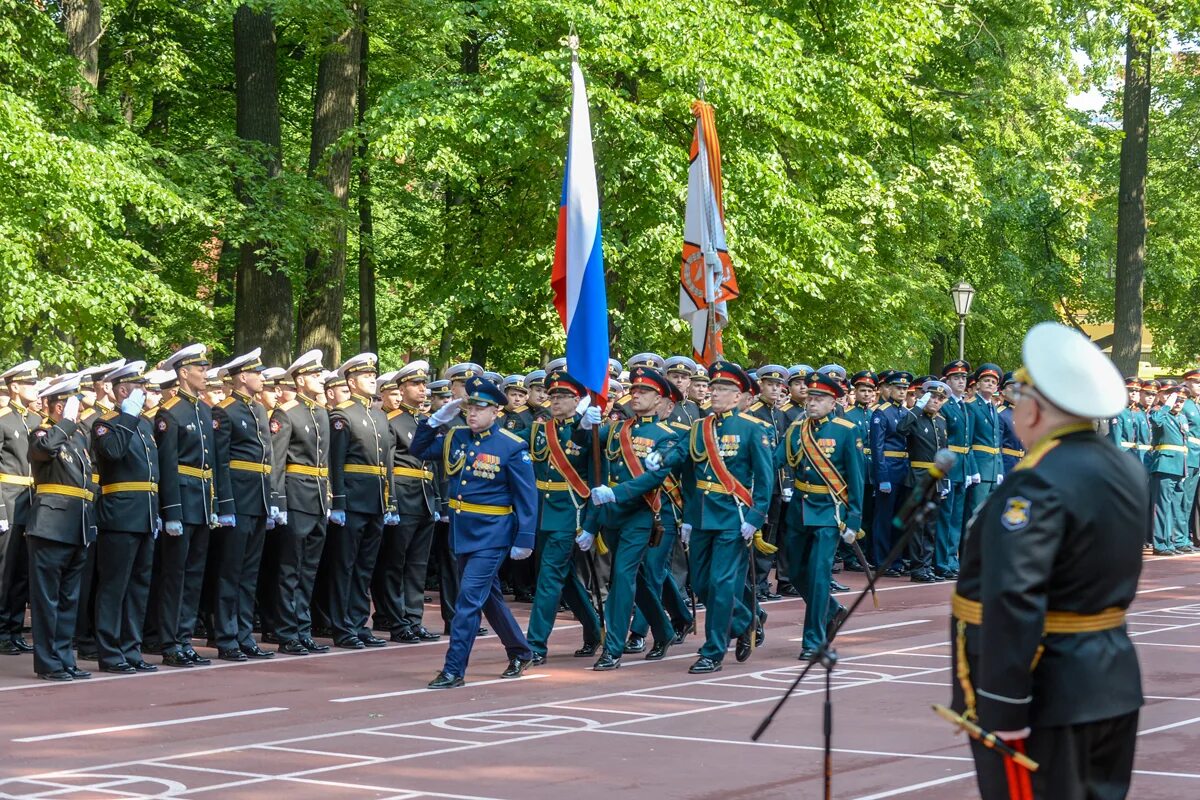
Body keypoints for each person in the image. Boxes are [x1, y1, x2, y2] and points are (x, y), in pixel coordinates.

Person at [950, 322, 1146, 800]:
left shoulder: (1036, 480)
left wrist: (1003, 705)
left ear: (1034, 409)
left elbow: (1015, 596)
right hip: (1111, 680)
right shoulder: (1125, 468)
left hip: (1047, 694)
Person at [411, 376, 536, 688]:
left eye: (480, 408)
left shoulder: (511, 446)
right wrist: (435, 419)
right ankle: (520, 651)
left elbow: (526, 497)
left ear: (495, 412)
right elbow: (419, 449)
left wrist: (525, 537)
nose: (472, 414)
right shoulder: (457, 437)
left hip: (493, 534)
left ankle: (454, 669)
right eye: (469, 408)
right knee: (488, 598)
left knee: (467, 601)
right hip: (462, 531)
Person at [655, 361, 773, 674]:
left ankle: (713, 651)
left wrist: (755, 516)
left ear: (738, 397)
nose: (715, 393)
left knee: (721, 584)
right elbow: (682, 458)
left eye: (723, 389)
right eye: (714, 387)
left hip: (734, 517)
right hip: (702, 516)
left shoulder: (752, 429)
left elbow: (764, 478)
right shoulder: (700, 427)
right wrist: (659, 457)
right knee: (703, 585)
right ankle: (748, 619)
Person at [579, 366, 685, 669]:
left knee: (622, 578)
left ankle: (612, 647)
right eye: (634, 390)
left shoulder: (668, 436)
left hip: (640, 515)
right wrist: (585, 424)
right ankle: (663, 631)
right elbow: (585, 448)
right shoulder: (615, 429)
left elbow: (655, 479)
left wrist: (617, 493)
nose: (636, 395)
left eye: (645, 392)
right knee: (636, 578)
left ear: (660, 398)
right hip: (610, 515)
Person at [778, 371, 864, 661]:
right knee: (794, 571)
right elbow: (775, 460)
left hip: (830, 511)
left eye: (819, 398)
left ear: (833, 401)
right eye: (810, 397)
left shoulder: (846, 430)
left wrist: (854, 520)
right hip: (799, 509)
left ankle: (813, 639)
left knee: (817, 576)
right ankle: (830, 609)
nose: (812, 402)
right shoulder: (796, 430)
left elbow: (856, 479)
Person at [154, 344, 228, 668]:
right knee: (175, 576)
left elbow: (212, 462)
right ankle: (170, 641)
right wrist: (171, 511)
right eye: (200, 369)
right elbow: (168, 466)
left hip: (201, 500)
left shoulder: (204, 411)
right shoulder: (170, 412)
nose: (205, 373)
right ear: (184, 373)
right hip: (182, 501)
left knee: (194, 574)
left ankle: (184, 639)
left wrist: (215, 503)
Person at [524, 369, 603, 664]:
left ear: (577, 400)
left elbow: (596, 482)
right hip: (543, 514)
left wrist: (592, 525)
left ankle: (535, 644)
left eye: (563, 396)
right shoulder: (539, 430)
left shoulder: (588, 431)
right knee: (566, 579)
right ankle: (594, 629)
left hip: (571, 515)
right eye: (552, 395)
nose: (555, 400)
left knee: (548, 580)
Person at [90, 361, 160, 674]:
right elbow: (114, 452)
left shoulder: (144, 424)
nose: (145, 392)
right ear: (121, 390)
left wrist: (157, 511)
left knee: (138, 587)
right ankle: (109, 651)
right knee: (114, 586)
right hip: (119, 514)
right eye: (138, 387)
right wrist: (129, 415)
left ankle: (131, 649)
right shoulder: (104, 423)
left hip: (145, 513)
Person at [27, 374, 96, 681]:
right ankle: (47, 661)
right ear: (57, 407)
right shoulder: (42, 432)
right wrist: (64, 424)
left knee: (69, 598)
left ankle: (65, 656)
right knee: (47, 598)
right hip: (51, 526)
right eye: (71, 405)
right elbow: (43, 452)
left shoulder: (79, 437)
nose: (78, 410)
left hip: (78, 525)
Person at [209, 349, 276, 661]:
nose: (262, 378)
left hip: (258, 499)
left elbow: (267, 459)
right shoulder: (224, 411)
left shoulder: (258, 410)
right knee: (230, 572)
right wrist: (224, 504)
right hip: (237, 499)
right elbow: (220, 463)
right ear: (242, 377)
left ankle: (244, 634)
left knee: (249, 574)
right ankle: (226, 637)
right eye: (257, 373)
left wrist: (272, 499)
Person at [327, 352, 395, 650]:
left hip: (375, 500)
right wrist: (338, 501)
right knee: (344, 565)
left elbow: (387, 462)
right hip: (353, 498)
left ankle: (358, 623)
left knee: (365, 567)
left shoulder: (378, 415)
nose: (372, 379)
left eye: (373, 375)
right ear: (351, 381)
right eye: (366, 376)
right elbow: (336, 462)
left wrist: (389, 501)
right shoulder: (342, 415)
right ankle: (342, 627)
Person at [269, 350, 332, 655]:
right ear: (302, 378)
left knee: (309, 569)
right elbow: (277, 463)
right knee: (289, 568)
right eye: (316, 375)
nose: (321, 379)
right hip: (295, 497)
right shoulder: (286, 412)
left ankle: (303, 628)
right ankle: (287, 632)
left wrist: (329, 495)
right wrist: (277, 501)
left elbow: (325, 461)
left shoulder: (321, 413)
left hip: (318, 497)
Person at [374, 361, 441, 643]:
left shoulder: (423, 421)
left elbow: (432, 465)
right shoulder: (392, 421)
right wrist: (390, 501)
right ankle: (396, 620)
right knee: (394, 562)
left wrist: (436, 500)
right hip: (402, 496)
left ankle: (413, 619)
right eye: (417, 384)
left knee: (417, 565)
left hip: (424, 498)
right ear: (401, 389)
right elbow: (387, 463)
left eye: (424, 384)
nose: (423, 389)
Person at [0, 360, 41, 656]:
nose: (35, 388)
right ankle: (2, 630)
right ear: (14, 387)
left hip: (30, 498)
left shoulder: (36, 421)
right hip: (9, 496)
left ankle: (14, 628)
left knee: (23, 569)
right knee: (5, 567)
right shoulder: (2, 419)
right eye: (30, 383)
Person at [898, 379, 950, 582]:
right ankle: (917, 567)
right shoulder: (914, 417)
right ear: (924, 396)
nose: (935, 401)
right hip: (918, 478)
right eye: (932, 396)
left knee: (930, 525)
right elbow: (901, 430)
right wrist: (917, 407)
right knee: (917, 525)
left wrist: (944, 481)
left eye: (939, 398)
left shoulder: (941, 421)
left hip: (936, 479)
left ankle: (926, 565)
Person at [870, 370, 913, 576]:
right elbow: (877, 448)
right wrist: (882, 476)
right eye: (898, 388)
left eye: (905, 388)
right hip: (888, 468)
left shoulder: (905, 413)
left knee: (899, 518)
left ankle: (895, 559)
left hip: (904, 469)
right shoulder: (881, 412)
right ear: (889, 389)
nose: (902, 391)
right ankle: (881, 560)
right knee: (884, 518)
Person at [1148, 380, 1188, 556]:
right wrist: (1166, 406)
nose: (1179, 403)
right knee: (1162, 506)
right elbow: (1155, 421)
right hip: (1164, 465)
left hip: (1179, 467)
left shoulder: (1181, 417)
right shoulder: (1161, 414)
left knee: (1174, 507)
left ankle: (1169, 542)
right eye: (1176, 399)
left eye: (1182, 401)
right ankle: (1160, 543)